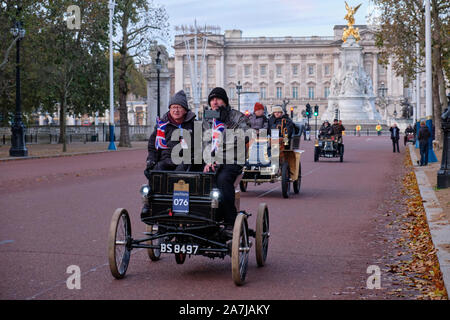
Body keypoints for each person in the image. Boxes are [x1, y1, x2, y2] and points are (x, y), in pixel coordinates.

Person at [202, 87, 250, 233]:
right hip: (212, 160)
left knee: (223, 180)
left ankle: (230, 220)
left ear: (225, 101)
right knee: (197, 178)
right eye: (212, 99)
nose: (215, 102)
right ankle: (204, 217)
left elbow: (244, 135)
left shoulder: (237, 116)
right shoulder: (207, 118)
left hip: (233, 159)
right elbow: (204, 141)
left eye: (218, 99)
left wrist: (224, 127)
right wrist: (208, 160)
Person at [144, 90, 195, 177]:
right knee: (155, 172)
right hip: (166, 159)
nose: (176, 110)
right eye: (173, 107)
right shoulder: (162, 125)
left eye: (179, 107)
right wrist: (151, 160)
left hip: (186, 160)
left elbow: (197, 149)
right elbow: (153, 146)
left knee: (179, 174)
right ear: (170, 109)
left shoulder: (194, 125)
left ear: (185, 110)